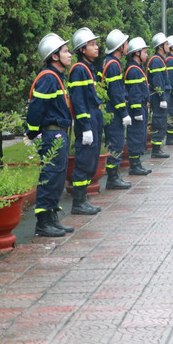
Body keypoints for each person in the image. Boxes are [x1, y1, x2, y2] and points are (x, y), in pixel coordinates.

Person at [26, 33, 74, 239]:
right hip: (51, 134)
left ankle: (52, 218)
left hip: (59, 133)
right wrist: (32, 132)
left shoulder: (56, 77)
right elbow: (37, 108)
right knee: (50, 176)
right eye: (65, 51)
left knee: (57, 177)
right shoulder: (48, 78)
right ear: (54, 57)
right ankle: (43, 223)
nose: (69, 54)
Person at [66, 28, 104, 217]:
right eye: (92, 45)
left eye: (96, 44)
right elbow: (79, 100)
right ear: (82, 49)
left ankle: (83, 200)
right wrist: (86, 127)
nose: (96, 48)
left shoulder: (87, 68)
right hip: (87, 118)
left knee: (91, 160)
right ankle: (78, 202)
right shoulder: (79, 69)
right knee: (84, 161)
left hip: (93, 116)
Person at [98, 29, 132, 191]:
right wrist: (124, 113)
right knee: (116, 142)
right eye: (125, 44)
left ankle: (114, 175)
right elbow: (116, 92)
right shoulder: (113, 65)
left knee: (115, 142)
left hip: (109, 109)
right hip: (113, 111)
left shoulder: (108, 62)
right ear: (119, 47)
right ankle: (113, 177)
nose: (127, 46)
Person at [123, 37, 152, 175]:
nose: (147, 55)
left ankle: (137, 163)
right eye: (145, 52)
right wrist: (137, 110)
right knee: (135, 135)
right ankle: (134, 165)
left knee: (140, 135)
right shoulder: (133, 70)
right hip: (137, 109)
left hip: (141, 107)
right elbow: (134, 92)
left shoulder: (138, 68)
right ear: (137, 53)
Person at [147, 33, 172, 159]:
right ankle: (156, 150)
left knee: (161, 121)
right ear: (160, 47)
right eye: (166, 44)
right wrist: (162, 97)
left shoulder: (160, 60)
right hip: (158, 97)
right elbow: (157, 82)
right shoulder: (156, 61)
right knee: (159, 121)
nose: (169, 46)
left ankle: (158, 148)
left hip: (161, 96)